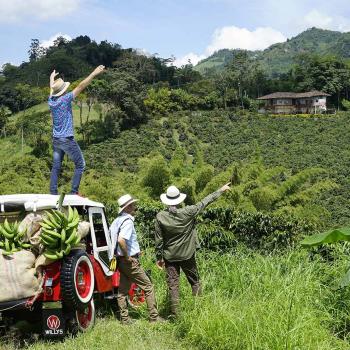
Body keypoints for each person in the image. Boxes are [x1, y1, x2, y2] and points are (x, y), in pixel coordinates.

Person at [155, 182, 231, 317]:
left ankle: (175, 314)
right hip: (187, 255)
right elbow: (204, 202)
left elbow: (159, 240)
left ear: (166, 200)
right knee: (195, 281)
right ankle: (199, 310)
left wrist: (159, 258)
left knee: (173, 285)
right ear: (179, 200)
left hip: (170, 257)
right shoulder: (188, 212)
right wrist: (220, 190)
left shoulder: (160, 216)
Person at [48, 65, 105, 195]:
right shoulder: (65, 99)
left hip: (56, 139)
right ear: (63, 90)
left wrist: (51, 79)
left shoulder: (51, 101)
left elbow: (51, 91)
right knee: (80, 165)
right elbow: (81, 86)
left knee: (56, 167)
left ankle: (53, 193)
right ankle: (73, 192)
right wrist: (94, 73)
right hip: (67, 139)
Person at [110, 194, 164, 324]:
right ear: (128, 207)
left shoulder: (116, 221)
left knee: (122, 291)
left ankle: (125, 319)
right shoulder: (128, 221)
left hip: (118, 260)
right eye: (133, 205)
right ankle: (154, 318)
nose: (135, 207)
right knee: (148, 286)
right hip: (129, 260)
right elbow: (121, 240)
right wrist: (128, 257)